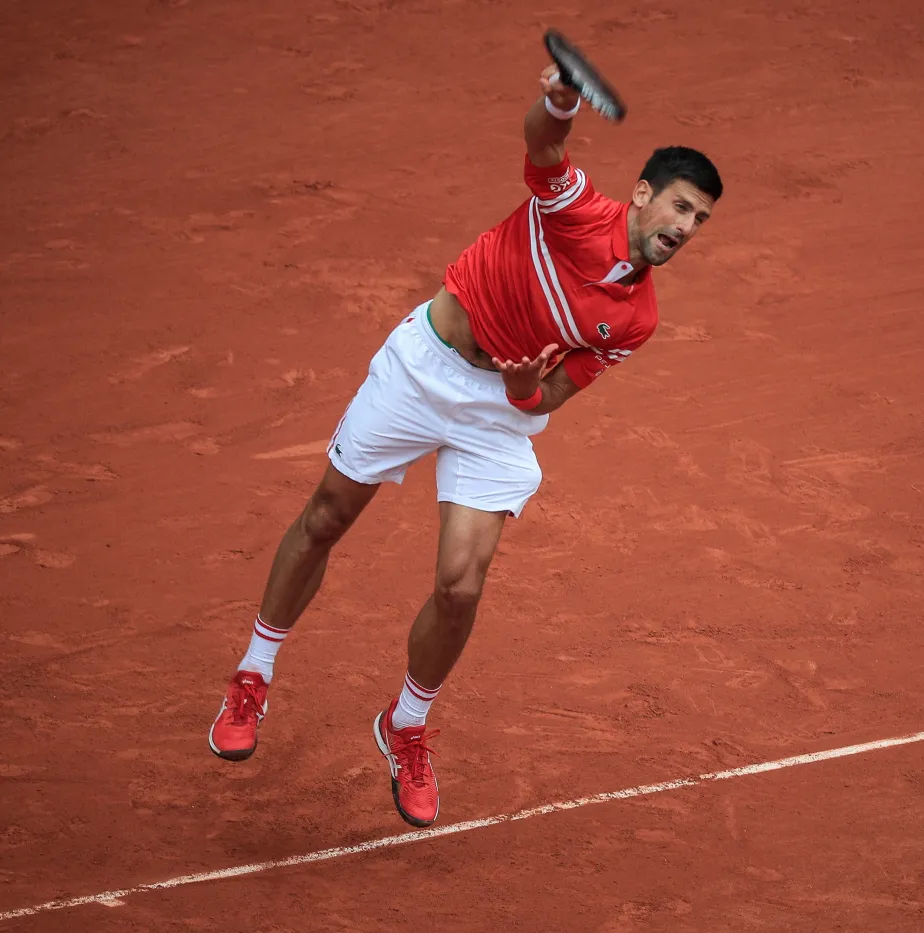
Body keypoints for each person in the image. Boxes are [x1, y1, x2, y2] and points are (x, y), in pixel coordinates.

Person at [206, 62, 722, 828]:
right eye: (680, 206)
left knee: (460, 586)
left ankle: (405, 725)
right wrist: (558, 102)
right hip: (423, 368)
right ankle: (253, 675)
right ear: (644, 194)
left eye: (700, 221)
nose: (684, 228)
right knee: (325, 517)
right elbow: (543, 148)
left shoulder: (637, 319)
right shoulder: (577, 209)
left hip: (495, 413)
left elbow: (552, 394)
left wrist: (518, 389)